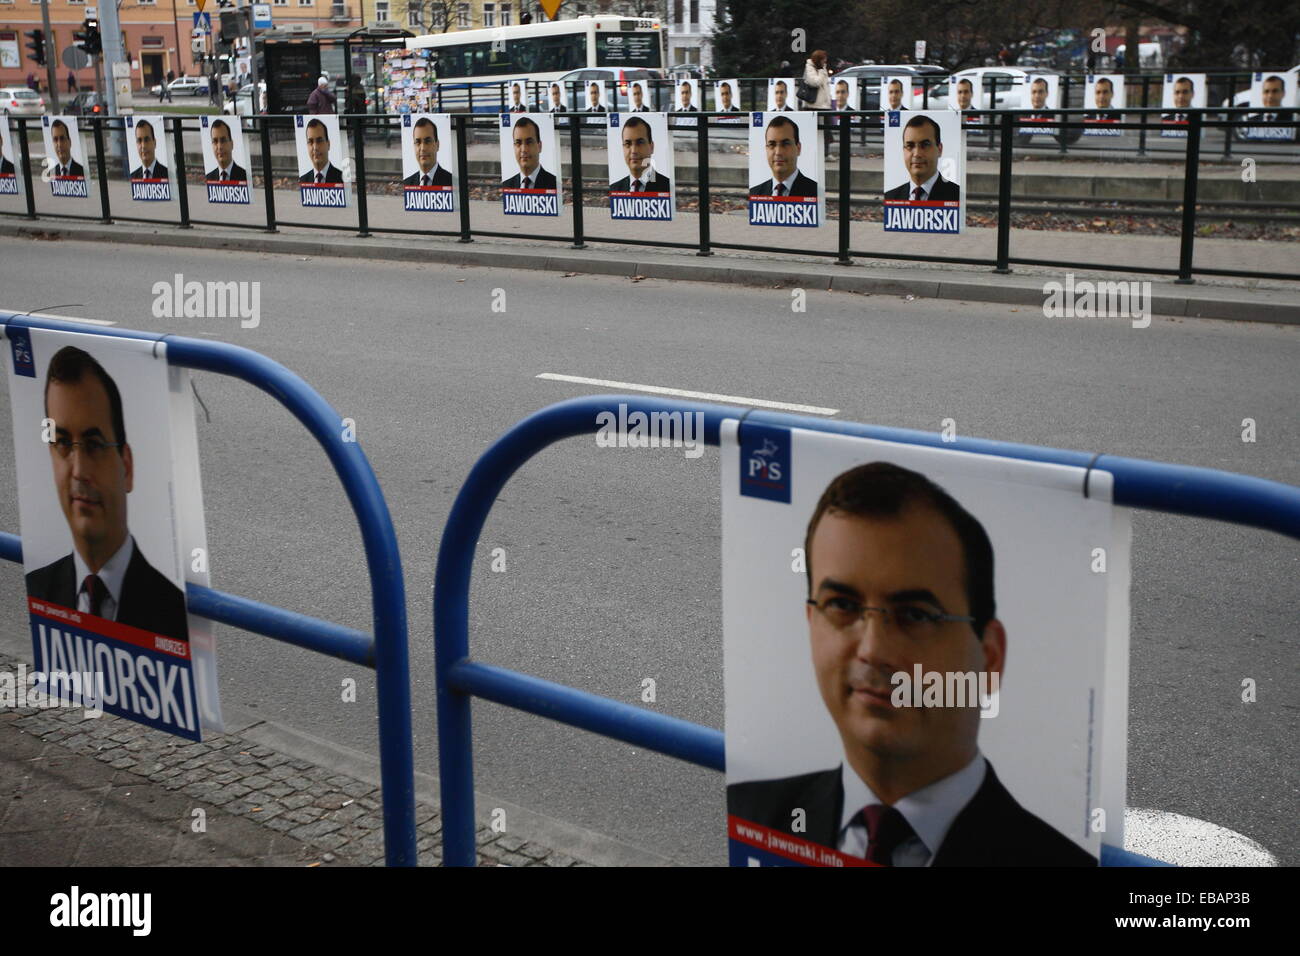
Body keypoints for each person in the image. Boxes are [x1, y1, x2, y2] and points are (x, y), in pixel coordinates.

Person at [727, 462, 1095, 866]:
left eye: (916, 615)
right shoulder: (748, 813)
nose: (872, 648)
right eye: (843, 606)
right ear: (811, 622)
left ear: (989, 659)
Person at [25, 346, 188, 642]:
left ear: (126, 466)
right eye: (61, 443)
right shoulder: (38, 589)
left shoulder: (175, 614)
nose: (77, 470)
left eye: (94, 445)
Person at [884, 114, 959, 202]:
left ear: (939, 149)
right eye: (910, 146)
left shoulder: (956, 196)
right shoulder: (890, 197)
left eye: (925, 145)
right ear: (903, 150)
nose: (917, 154)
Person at [749, 115, 817, 197]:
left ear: (798, 148)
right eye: (772, 144)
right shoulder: (755, 193)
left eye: (785, 144)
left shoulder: (815, 192)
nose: (778, 152)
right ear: (766, 149)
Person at [609, 116, 670, 194]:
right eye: (628, 144)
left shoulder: (667, 187)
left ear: (651, 147)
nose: (634, 151)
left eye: (640, 143)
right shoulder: (614, 189)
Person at [500, 116, 556, 189]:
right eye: (518, 143)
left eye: (529, 142)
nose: (524, 149)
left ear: (539, 146)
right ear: (514, 147)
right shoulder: (507, 185)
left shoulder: (554, 184)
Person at [402, 116, 452, 187]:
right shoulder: (408, 183)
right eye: (418, 142)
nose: (422, 148)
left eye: (427, 141)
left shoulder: (451, 181)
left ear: (437, 145)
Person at [299, 118, 344, 184]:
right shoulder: (303, 180)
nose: (315, 147)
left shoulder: (342, 179)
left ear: (328, 144)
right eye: (310, 142)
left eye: (319, 141)